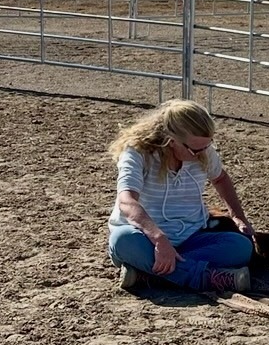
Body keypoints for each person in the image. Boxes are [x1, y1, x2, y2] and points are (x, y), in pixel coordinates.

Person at [106, 99, 254, 294]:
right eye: (195, 149)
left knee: (241, 246)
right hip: (145, 238)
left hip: (190, 237)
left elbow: (221, 179)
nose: (202, 154)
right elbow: (126, 201)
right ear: (171, 139)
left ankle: (149, 273)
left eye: (207, 146)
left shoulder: (203, 151)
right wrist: (159, 239)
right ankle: (205, 278)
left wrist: (238, 217)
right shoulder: (137, 152)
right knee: (122, 240)